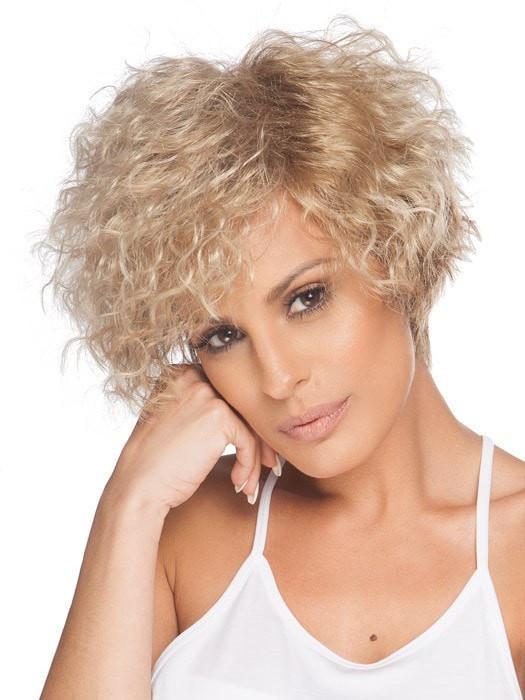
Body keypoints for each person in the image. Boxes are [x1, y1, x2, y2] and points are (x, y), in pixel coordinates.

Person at [34, 15, 524, 699]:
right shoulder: (180, 534)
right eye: (221, 337)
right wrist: (129, 503)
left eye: (306, 298)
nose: (278, 377)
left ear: (397, 254)